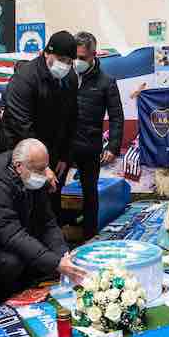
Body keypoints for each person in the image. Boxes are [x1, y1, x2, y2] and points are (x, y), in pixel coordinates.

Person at [0, 139, 87, 323]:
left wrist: (63, 255)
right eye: (38, 170)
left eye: (45, 168)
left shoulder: (32, 182)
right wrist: (56, 264)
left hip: (3, 248)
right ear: (19, 166)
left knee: (45, 255)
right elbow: (14, 237)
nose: (44, 175)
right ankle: (0, 297)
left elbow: (48, 224)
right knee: (17, 259)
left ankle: (17, 287)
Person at [0, 30, 79, 216]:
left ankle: (51, 243)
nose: (64, 65)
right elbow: (21, 125)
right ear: (46, 53)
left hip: (52, 152)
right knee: (22, 207)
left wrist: (65, 156)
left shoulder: (70, 79)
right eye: (61, 58)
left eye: (69, 61)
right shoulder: (25, 78)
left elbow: (72, 119)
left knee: (50, 206)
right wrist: (42, 166)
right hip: (20, 151)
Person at [64, 31, 124, 240]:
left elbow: (117, 116)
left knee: (90, 195)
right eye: (75, 57)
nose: (77, 62)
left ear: (93, 55)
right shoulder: (65, 75)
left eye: (82, 58)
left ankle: (89, 238)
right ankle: (56, 237)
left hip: (90, 147)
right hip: (65, 146)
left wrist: (113, 147)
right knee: (52, 189)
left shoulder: (106, 81)